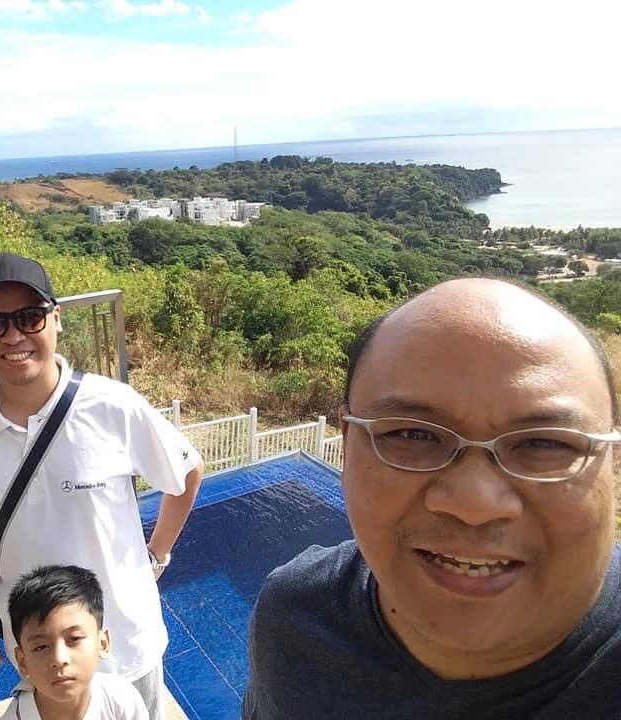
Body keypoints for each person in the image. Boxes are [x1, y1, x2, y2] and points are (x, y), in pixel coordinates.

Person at [242, 278, 621, 719]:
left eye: (545, 444)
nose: (474, 504)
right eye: (412, 434)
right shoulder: (295, 619)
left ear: (612, 462)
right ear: (347, 447)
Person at [0, 252, 204, 720]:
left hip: (125, 639)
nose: (13, 336)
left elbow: (186, 473)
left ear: (56, 319)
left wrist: (157, 553)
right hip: (36, 649)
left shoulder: (111, 404)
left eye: (29, 317)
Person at [0, 565, 148, 720]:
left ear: (102, 644)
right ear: (22, 661)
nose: (59, 659)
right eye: (41, 647)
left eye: (74, 639)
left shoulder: (121, 698)